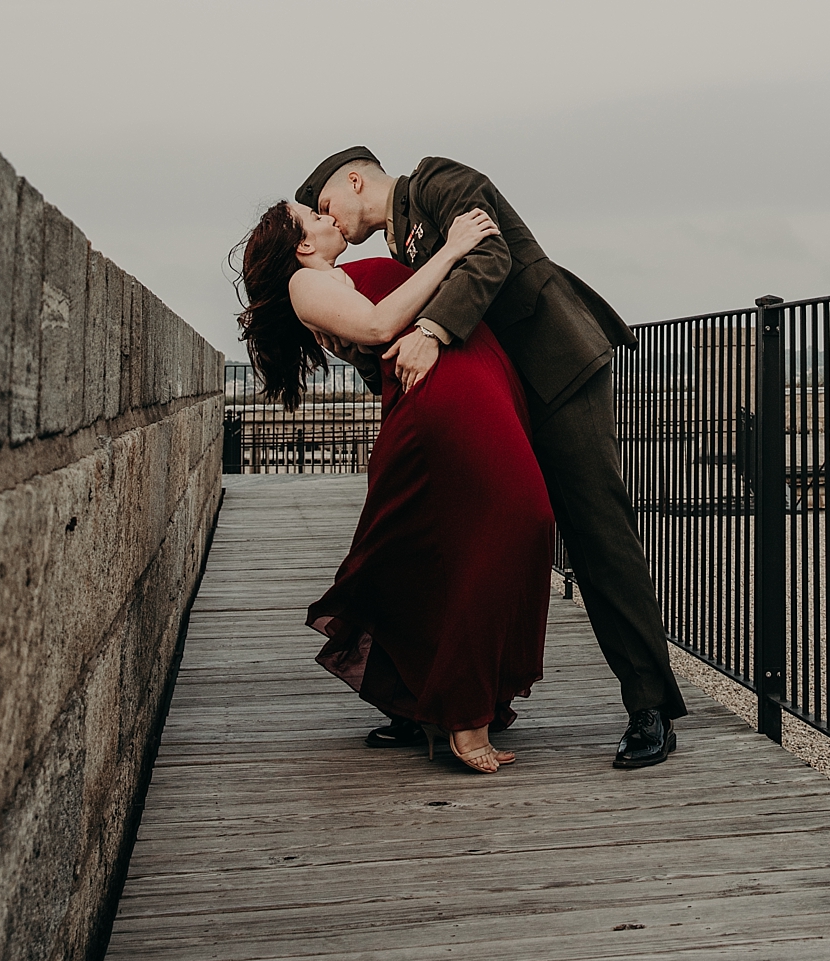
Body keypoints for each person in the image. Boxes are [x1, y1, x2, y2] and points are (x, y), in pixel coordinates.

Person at [296, 146, 686, 771]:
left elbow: (490, 253)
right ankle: (425, 702)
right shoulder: (399, 249)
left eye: (324, 206)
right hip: (497, 400)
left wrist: (429, 332)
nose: (330, 221)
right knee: (439, 535)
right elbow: (394, 342)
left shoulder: (440, 181)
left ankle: (650, 708)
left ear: (354, 178)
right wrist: (354, 342)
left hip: (554, 374)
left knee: (597, 533)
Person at [235, 197, 553, 774]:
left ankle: (435, 701)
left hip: (471, 375)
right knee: (522, 519)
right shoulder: (306, 286)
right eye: (314, 216)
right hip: (442, 396)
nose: (329, 216)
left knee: (455, 549)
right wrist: (455, 249)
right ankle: (464, 714)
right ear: (302, 246)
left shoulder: (337, 274)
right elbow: (381, 324)